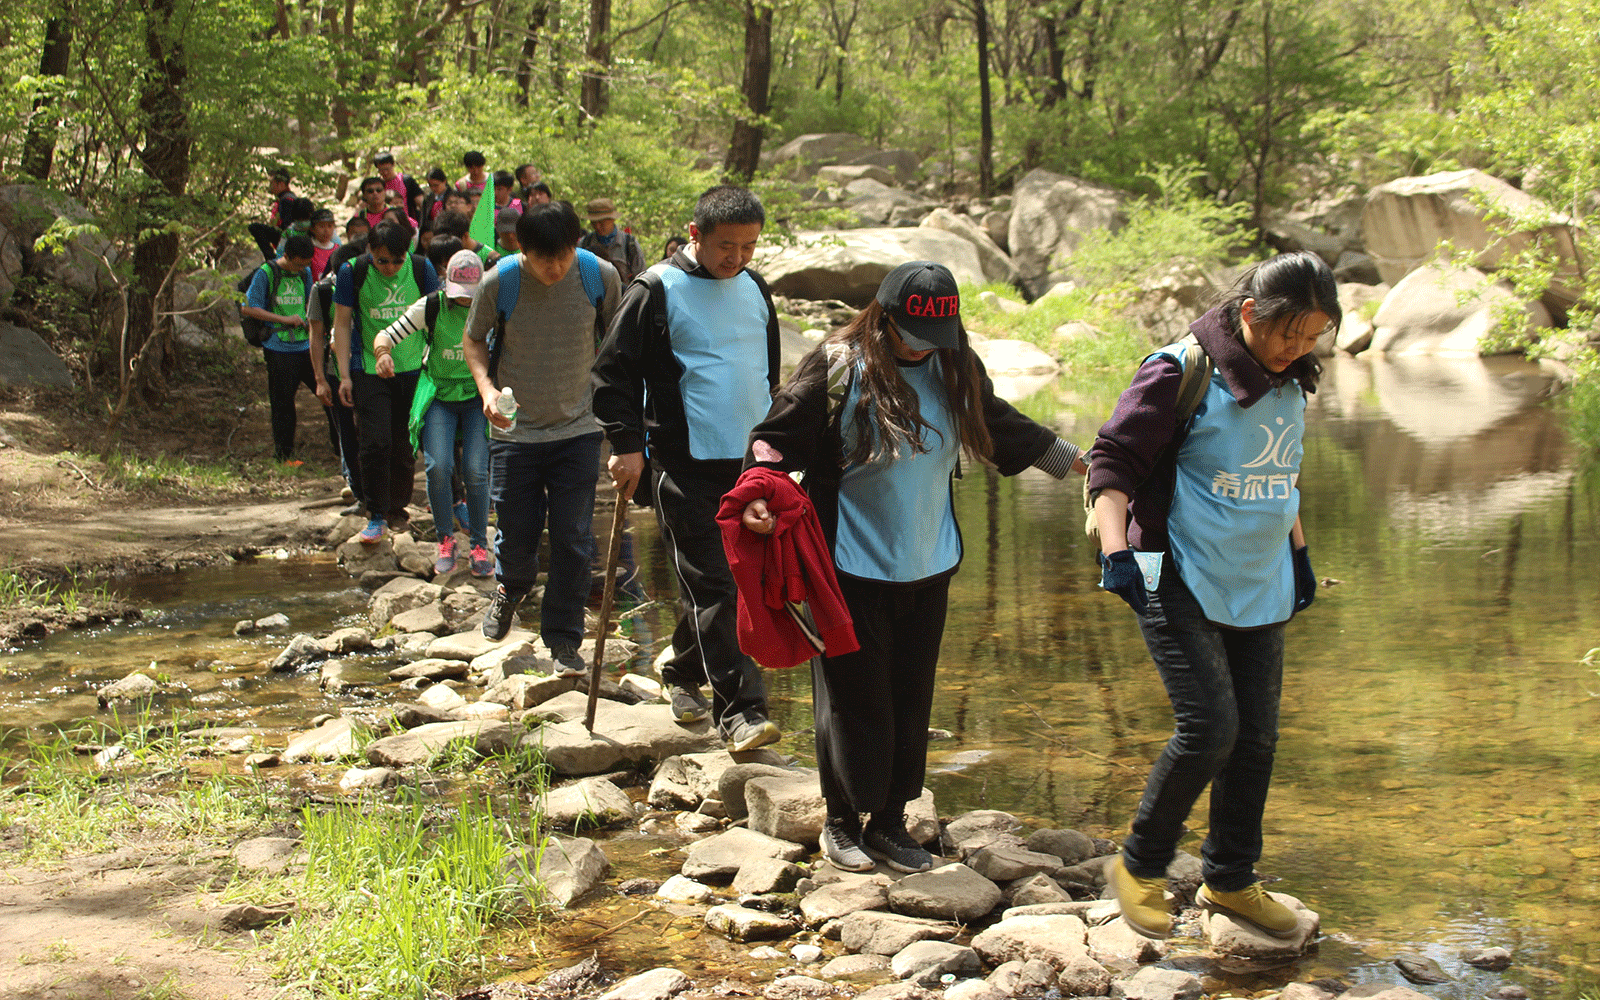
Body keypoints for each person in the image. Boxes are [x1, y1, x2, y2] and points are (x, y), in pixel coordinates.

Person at [734, 261, 1086, 872]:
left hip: (929, 557)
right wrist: (757, 492)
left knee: (910, 693)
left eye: (936, 338)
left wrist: (1073, 459)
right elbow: (772, 439)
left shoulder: (955, 364)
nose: (924, 349)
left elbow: (1000, 425)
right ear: (884, 317)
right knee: (850, 694)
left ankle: (893, 820)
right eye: (913, 336)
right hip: (850, 560)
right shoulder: (840, 366)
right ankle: (842, 822)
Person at [1088, 251, 1336, 940]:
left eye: (1314, 335)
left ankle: (1229, 880)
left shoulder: (1293, 380)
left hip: (1260, 578)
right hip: (1176, 572)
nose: (1300, 347)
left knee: (1256, 739)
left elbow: (1280, 474)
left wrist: (1301, 553)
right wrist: (1118, 554)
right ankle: (1139, 868)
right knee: (1210, 729)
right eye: (1290, 333)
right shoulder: (1179, 371)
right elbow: (1112, 463)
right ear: (1251, 314)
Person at [592, 185, 783, 752]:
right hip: (683, 461)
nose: (738, 258)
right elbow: (611, 375)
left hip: (750, 462)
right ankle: (741, 712)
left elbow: (767, 376)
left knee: (732, 582)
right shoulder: (655, 290)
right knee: (719, 583)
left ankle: (680, 671)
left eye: (749, 246)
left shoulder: (754, 288)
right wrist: (626, 444)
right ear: (695, 235)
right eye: (728, 246)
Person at [465, 202, 622, 674]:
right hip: (515, 432)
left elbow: (617, 343)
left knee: (574, 539)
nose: (553, 269)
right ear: (522, 250)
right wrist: (487, 389)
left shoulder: (600, 276)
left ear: (577, 245)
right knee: (517, 537)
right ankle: (510, 588)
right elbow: (474, 340)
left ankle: (563, 638)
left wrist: (623, 427)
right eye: (542, 259)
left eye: (562, 256)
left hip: (578, 429)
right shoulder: (501, 281)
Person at [373, 248, 494, 578]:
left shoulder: (492, 306)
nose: (466, 301)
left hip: (476, 397)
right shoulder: (431, 306)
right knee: (438, 465)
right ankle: (446, 540)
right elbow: (386, 334)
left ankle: (480, 543)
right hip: (439, 394)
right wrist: (383, 354)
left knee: (475, 469)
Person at [333, 221, 441, 542]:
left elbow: (439, 318)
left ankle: (398, 510)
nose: (391, 268)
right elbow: (341, 324)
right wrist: (342, 375)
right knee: (374, 442)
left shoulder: (422, 269)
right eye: (382, 261)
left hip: (414, 368)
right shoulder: (352, 272)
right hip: (369, 368)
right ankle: (375, 513)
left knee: (404, 444)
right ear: (370, 252)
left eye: (397, 260)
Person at [241, 235, 318, 464]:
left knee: (328, 393)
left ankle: (342, 449)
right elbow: (248, 308)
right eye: (298, 264)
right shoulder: (267, 273)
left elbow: (308, 300)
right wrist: (283, 319)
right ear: (286, 256)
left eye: (306, 264)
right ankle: (284, 456)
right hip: (278, 347)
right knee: (283, 403)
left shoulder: (304, 272)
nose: (301, 269)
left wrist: (307, 318)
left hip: (305, 344)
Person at [579, 197, 645, 285]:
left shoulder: (629, 243)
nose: (597, 226)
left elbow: (641, 276)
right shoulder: (584, 244)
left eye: (602, 222)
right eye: (593, 222)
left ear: (612, 219)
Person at [250, 168, 296, 260]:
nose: (271, 186)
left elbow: (288, 225)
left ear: (281, 184)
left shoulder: (287, 200)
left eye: (272, 183)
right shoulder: (288, 198)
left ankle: (270, 258)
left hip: (290, 240)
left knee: (255, 228)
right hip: (291, 238)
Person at [373, 151, 424, 222]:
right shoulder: (376, 186)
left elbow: (421, 202)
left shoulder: (406, 181)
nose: (385, 173)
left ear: (393, 164)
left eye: (387, 169)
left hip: (408, 224)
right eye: (381, 170)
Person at [307, 209, 341, 279]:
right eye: (322, 226)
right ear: (312, 229)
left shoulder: (338, 249)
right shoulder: (308, 249)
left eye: (329, 226)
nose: (326, 230)